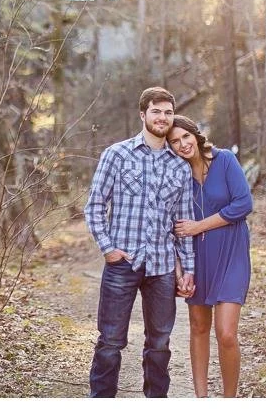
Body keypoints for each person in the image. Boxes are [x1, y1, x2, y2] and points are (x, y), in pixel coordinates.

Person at [85, 86, 195, 398]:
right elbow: (94, 206)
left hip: (161, 267)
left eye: (168, 112)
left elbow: (182, 225)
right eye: (156, 111)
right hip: (122, 263)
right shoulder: (116, 155)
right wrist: (108, 248)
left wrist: (188, 269)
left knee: (160, 342)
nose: (162, 117)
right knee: (110, 340)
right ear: (143, 114)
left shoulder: (179, 166)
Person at [167, 115, 253, 398]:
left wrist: (199, 226)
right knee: (198, 326)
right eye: (175, 142)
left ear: (196, 134)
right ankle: (201, 399)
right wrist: (181, 271)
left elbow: (243, 204)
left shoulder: (225, 160)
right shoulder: (176, 176)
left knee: (226, 333)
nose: (182, 145)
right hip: (197, 258)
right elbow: (172, 227)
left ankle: (230, 400)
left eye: (185, 137)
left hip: (231, 255)